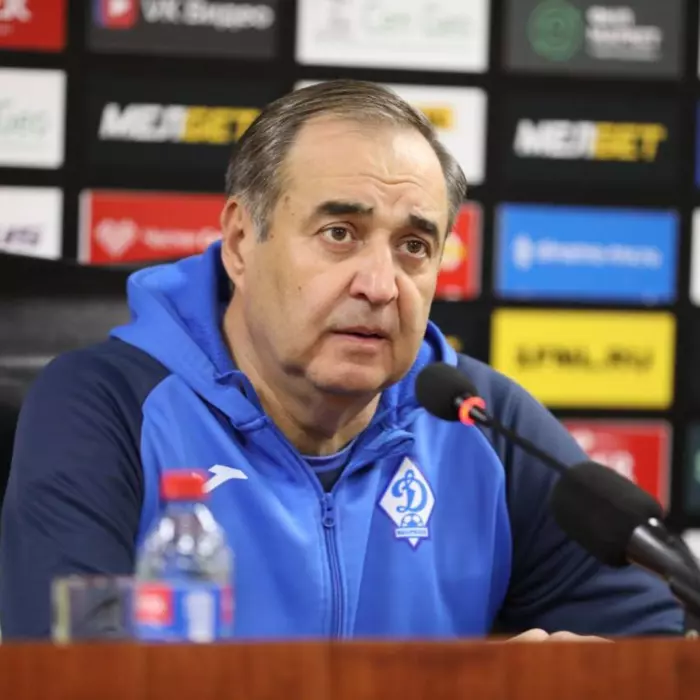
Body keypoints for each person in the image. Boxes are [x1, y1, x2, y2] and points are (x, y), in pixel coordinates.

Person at [0, 80, 684, 641]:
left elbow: (653, 645)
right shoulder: (108, 407)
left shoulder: (480, 420)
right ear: (240, 243)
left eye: (413, 246)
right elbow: (67, 673)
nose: (380, 285)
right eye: (339, 233)